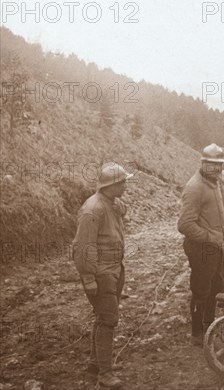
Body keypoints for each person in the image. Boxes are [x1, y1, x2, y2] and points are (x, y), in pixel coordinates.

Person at [177, 144, 224, 345]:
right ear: (203, 163)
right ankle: (198, 334)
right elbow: (184, 224)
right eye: (212, 165)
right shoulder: (194, 187)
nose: (217, 169)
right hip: (203, 250)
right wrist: (210, 237)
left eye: (220, 165)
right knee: (201, 291)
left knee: (220, 289)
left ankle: (213, 325)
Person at [72, 162, 133, 389]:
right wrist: (88, 278)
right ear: (112, 185)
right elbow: (83, 247)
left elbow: (123, 209)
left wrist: (118, 204)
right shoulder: (92, 210)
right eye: (123, 182)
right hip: (101, 272)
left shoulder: (110, 203)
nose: (126, 186)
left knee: (102, 317)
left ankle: (95, 363)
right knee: (109, 319)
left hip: (114, 268)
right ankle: (104, 375)